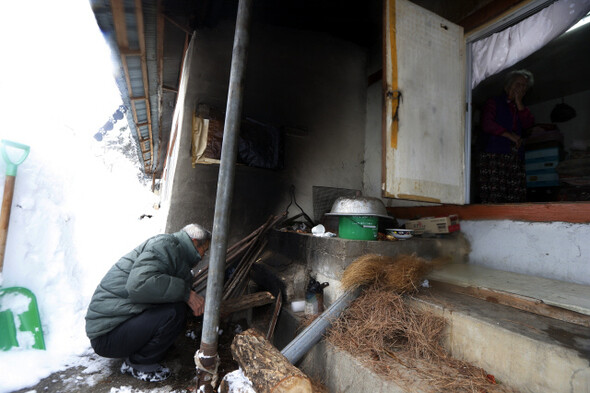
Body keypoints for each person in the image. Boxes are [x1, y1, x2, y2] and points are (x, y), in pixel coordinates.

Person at [85, 223, 211, 382]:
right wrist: (186, 293)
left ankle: (147, 348)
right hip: (106, 335)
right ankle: (138, 363)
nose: (202, 256)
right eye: (203, 250)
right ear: (194, 241)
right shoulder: (164, 246)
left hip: (117, 326)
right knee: (174, 312)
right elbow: (139, 284)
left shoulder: (175, 252)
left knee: (176, 306)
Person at [478, 69, 535, 203]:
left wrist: (519, 103)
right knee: (495, 197)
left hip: (515, 157)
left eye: (524, 86)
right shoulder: (494, 102)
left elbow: (528, 126)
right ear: (507, 86)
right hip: (494, 155)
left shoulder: (521, 109)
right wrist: (509, 135)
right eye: (518, 84)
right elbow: (487, 124)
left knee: (515, 196)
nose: (521, 88)